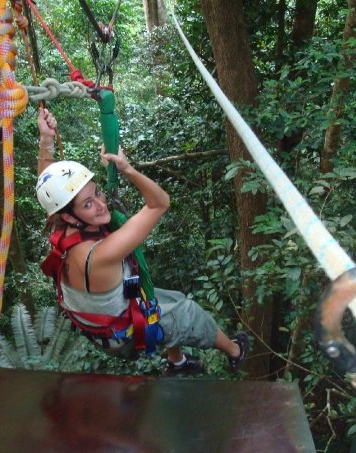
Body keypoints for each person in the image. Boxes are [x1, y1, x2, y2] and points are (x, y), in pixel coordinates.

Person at [35, 108, 249, 374]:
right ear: (69, 216)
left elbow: (48, 187)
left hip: (107, 316)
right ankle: (235, 352)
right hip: (123, 334)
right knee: (188, 311)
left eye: (97, 193)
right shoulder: (101, 254)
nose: (102, 204)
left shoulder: (61, 226)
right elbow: (160, 203)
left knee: (166, 296)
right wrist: (126, 169)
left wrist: (46, 140)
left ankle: (177, 362)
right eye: (88, 204)